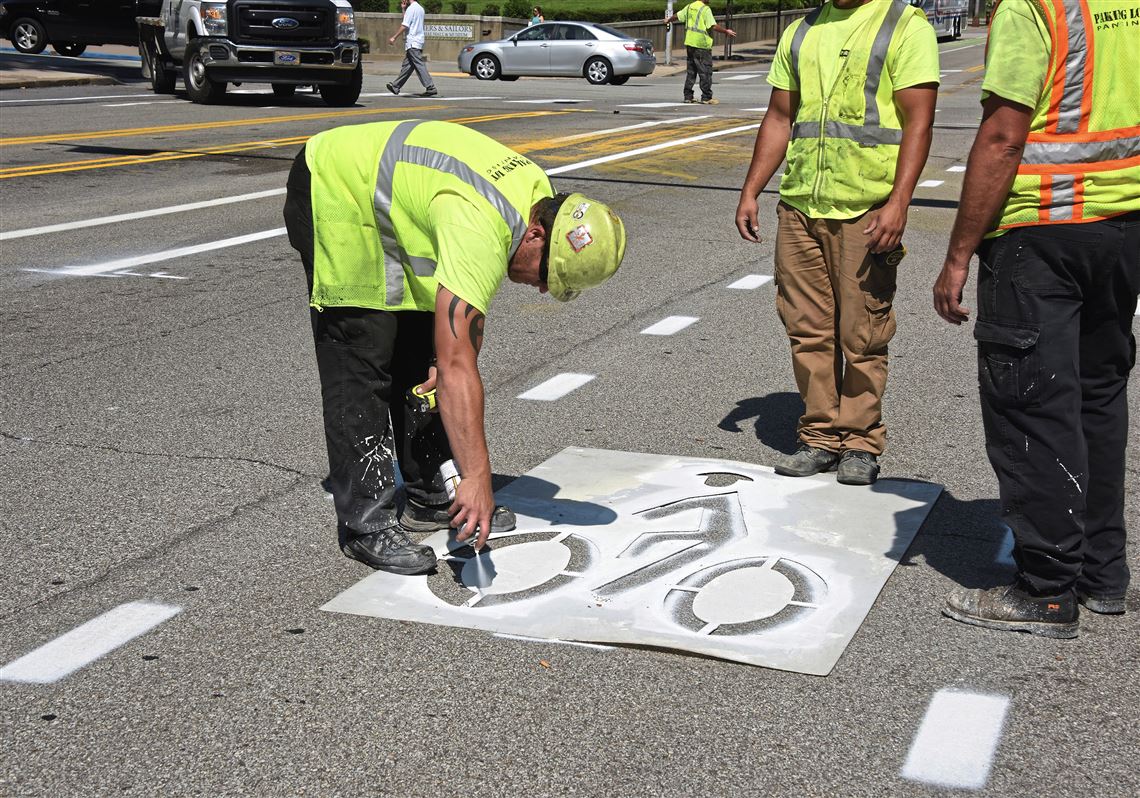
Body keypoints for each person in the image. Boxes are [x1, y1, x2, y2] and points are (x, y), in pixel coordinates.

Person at [283, 120, 627, 575]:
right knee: (360, 355)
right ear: (536, 236)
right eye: (548, 274)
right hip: (337, 189)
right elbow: (458, 365)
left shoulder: (539, 201)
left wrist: (442, 364)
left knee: (423, 350)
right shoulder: (480, 229)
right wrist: (477, 477)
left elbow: (454, 350)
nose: (543, 288)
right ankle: (366, 524)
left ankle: (428, 496)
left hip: (392, 204)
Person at [934, 0, 1139, 637]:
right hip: (1124, 228)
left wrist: (959, 253)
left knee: (1032, 406)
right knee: (1098, 400)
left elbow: (1003, 137)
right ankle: (1102, 574)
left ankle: (1047, 589)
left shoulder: (1034, 8)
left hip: (1043, 233)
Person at [734, 0, 939, 486]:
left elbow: (919, 121)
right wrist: (751, 190)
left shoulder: (903, 25)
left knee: (863, 335)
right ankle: (820, 437)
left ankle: (861, 442)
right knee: (806, 329)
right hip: (801, 204)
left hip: (866, 207)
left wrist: (899, 203)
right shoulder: (802, 31)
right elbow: (780, 117)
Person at [664, 1, 736, 104]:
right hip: (701, 44)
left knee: (691, 71)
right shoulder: (705, 9)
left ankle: (688, 96)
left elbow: (677, 15)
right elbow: (713, 26)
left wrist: (668, 20)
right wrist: (726, 31)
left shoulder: (690, 7)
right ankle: (706, 97)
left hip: (690, 43)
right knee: (705, 71)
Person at [386, 0, 436, 97]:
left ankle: (430, 87)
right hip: (418, 41)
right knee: (407, 66)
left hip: (413, 42)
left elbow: (405, 25)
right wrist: (403, 9)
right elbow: (408, 20)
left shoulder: (411, 9)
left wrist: (394, 37)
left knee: (419, 64)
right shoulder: (420, 9)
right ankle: (396, 86)